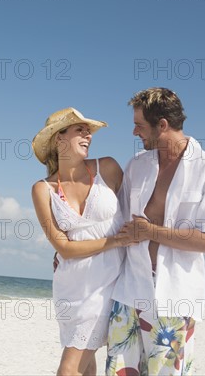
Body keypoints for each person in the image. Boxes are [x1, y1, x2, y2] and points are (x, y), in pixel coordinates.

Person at [106, 88, 205, 375]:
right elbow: (117, 225)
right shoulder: (136, 166)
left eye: (139, 125)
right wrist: (72, 252)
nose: (135, 132)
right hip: (128, 291)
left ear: (162, 125)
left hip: (175, 296)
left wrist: (151, 231)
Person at [31, 107, 132, 376]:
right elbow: (63, 247)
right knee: (86, 366)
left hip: (109, 283)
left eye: (88, 130)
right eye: (80, 129)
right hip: (71, 287)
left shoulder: (107, 168)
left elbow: (136, 213)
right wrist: (114, 241)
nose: (88, 134)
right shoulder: (42, 189)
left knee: (69, 369)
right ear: (58, 139)